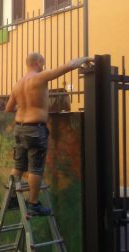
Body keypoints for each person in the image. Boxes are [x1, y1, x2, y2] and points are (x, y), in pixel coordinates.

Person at [5, 53, 92, 216]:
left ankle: (11, 199)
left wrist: (25, 108)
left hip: (19, 128)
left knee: (18, 166)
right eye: (42, 63)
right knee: (35, 169)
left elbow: (8, 109)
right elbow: (66, 67)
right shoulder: (40, 77)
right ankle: (33, 204)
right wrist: (84, 60)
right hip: (35, 129)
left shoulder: (17, 85)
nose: (43, 66)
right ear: (37, 62)